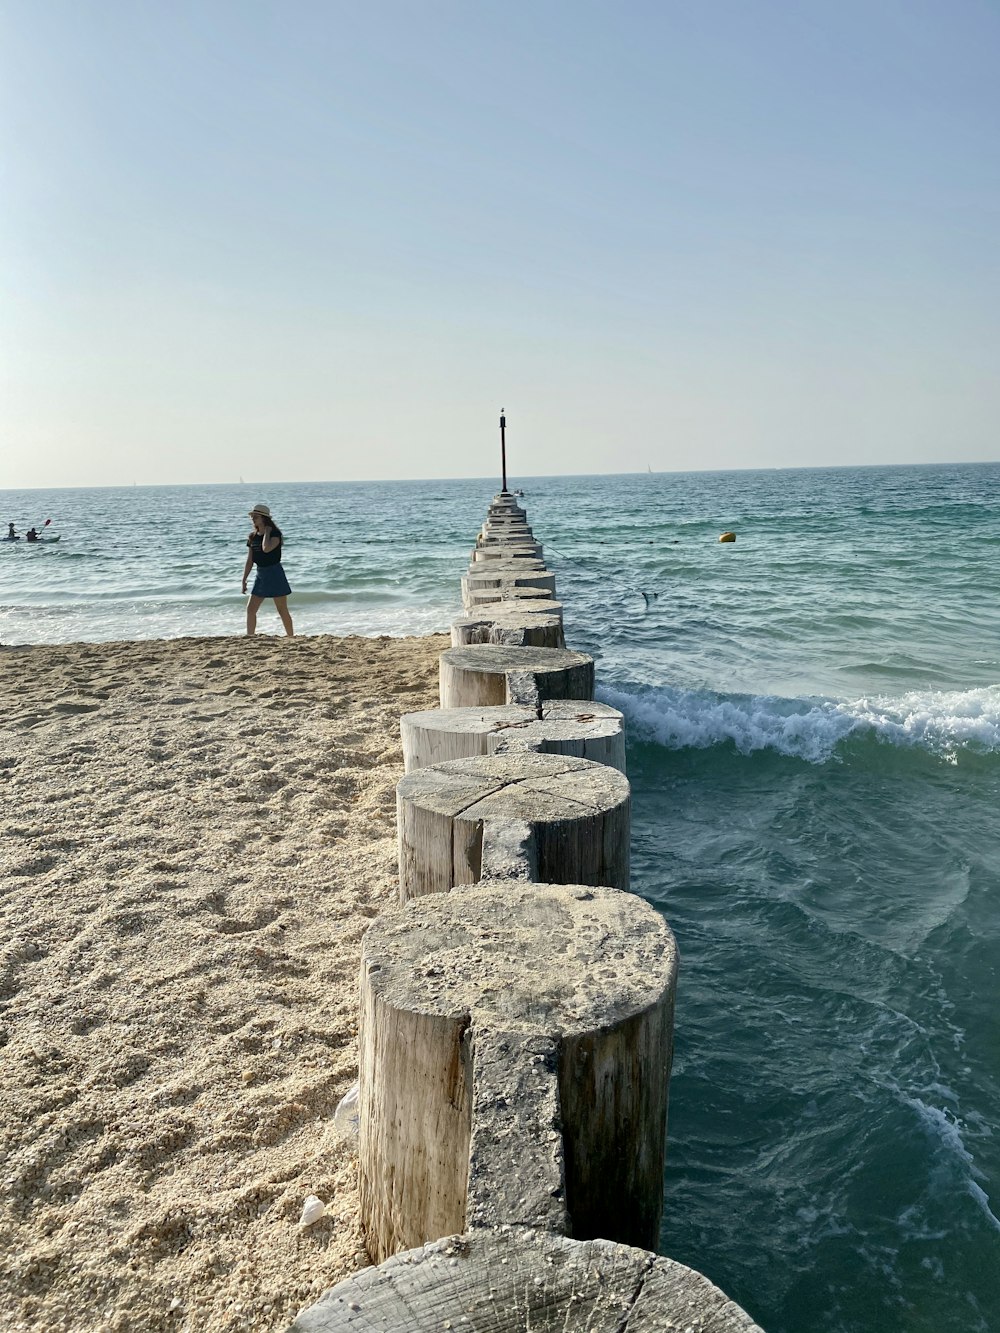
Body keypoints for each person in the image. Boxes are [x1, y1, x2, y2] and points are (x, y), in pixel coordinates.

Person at [242, 503, 294, 637]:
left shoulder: (275, 534)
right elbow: (250, 560)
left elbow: (266, 548)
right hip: (261, 574)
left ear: (264, 518)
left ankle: (291, 637)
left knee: (282, 610)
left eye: (256, 516)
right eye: (252, 516)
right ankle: (250, 637)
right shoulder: (252, 537)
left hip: (274, 573)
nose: (253, 518)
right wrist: (244, 579)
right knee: (251, 609)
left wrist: (268, 532)